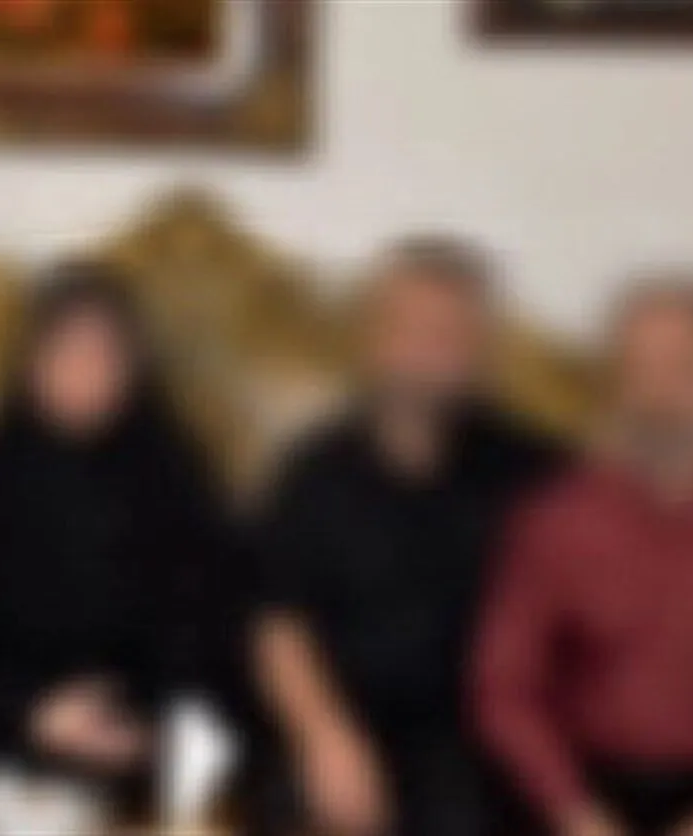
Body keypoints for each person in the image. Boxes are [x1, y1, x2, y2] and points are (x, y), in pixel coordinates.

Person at [253, 236, 564, 836]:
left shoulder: (537, 474)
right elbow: (277, 625)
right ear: (374, 338)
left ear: (482, 349)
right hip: (342, 727)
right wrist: (324, 736)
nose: (427, 353)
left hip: (476, 744)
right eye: (411, 329)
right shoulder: (314, 471)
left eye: (449, 333)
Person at [0, 263, 223, 816]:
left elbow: (207, 631)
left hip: (140, 753)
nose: (86, 371)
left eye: (105, 354)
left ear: (134, 370)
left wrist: (146, 728)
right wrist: (33, 715)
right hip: (8, 747)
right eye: (67, 351)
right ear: (30, 364)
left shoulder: (177, 478)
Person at [474, 276, 693, 836]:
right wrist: (573, 810)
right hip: (579, 797)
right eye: (639, 370)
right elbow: (505, 687)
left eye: (681, 368)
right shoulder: (555, 522)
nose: (659, 394)